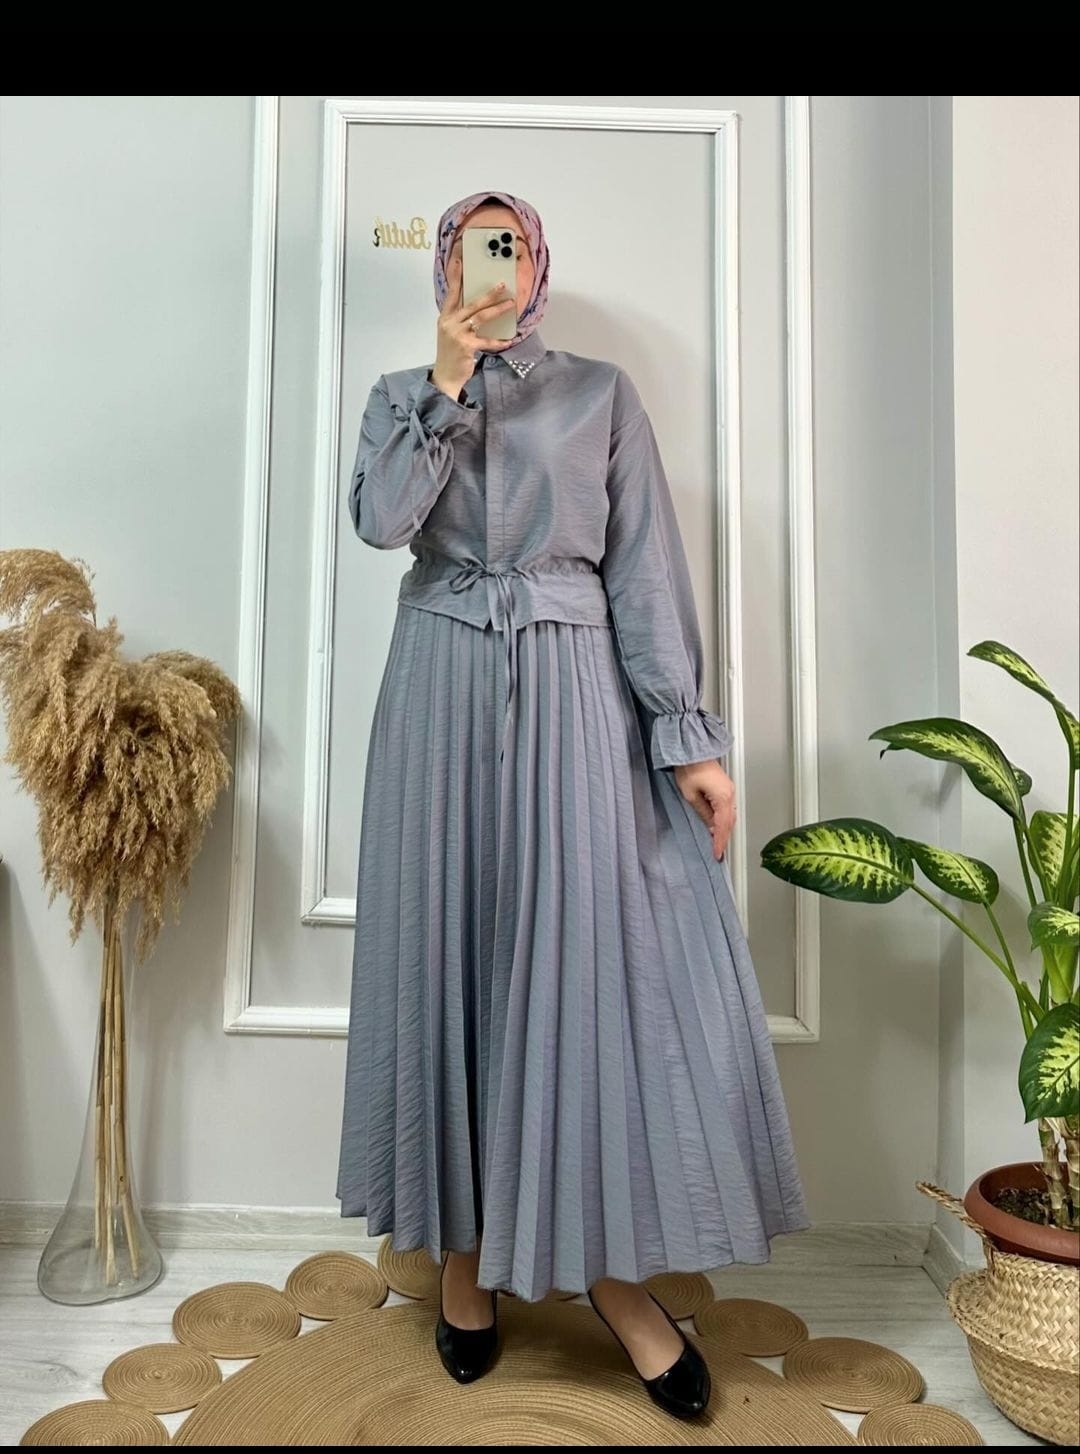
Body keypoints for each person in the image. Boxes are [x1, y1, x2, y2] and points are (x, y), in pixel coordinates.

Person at [336, 189, 810, 1420]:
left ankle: (607, 1269)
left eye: (511, 246)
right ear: (446, 268)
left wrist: (687, 737)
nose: (493, 266)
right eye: (471, 248)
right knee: (450, 962)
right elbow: (382, 523)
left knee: (587, 974)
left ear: (540, 263)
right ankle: (462, 1256)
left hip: (574, 691)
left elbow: (642, 566)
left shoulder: (600, 393)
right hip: (438, 692)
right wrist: (446, 382)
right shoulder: (399, 398)